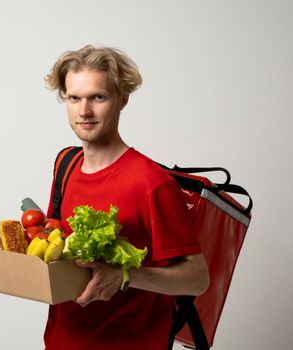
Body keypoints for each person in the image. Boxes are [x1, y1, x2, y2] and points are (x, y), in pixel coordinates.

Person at [42, 45, 210, 350]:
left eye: (98, 97)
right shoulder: (65, 164)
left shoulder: (151, 183)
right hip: (61, 342)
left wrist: (124, 275)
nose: (84, 111)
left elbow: (197, 279)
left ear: (122, 99)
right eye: (74, 98)